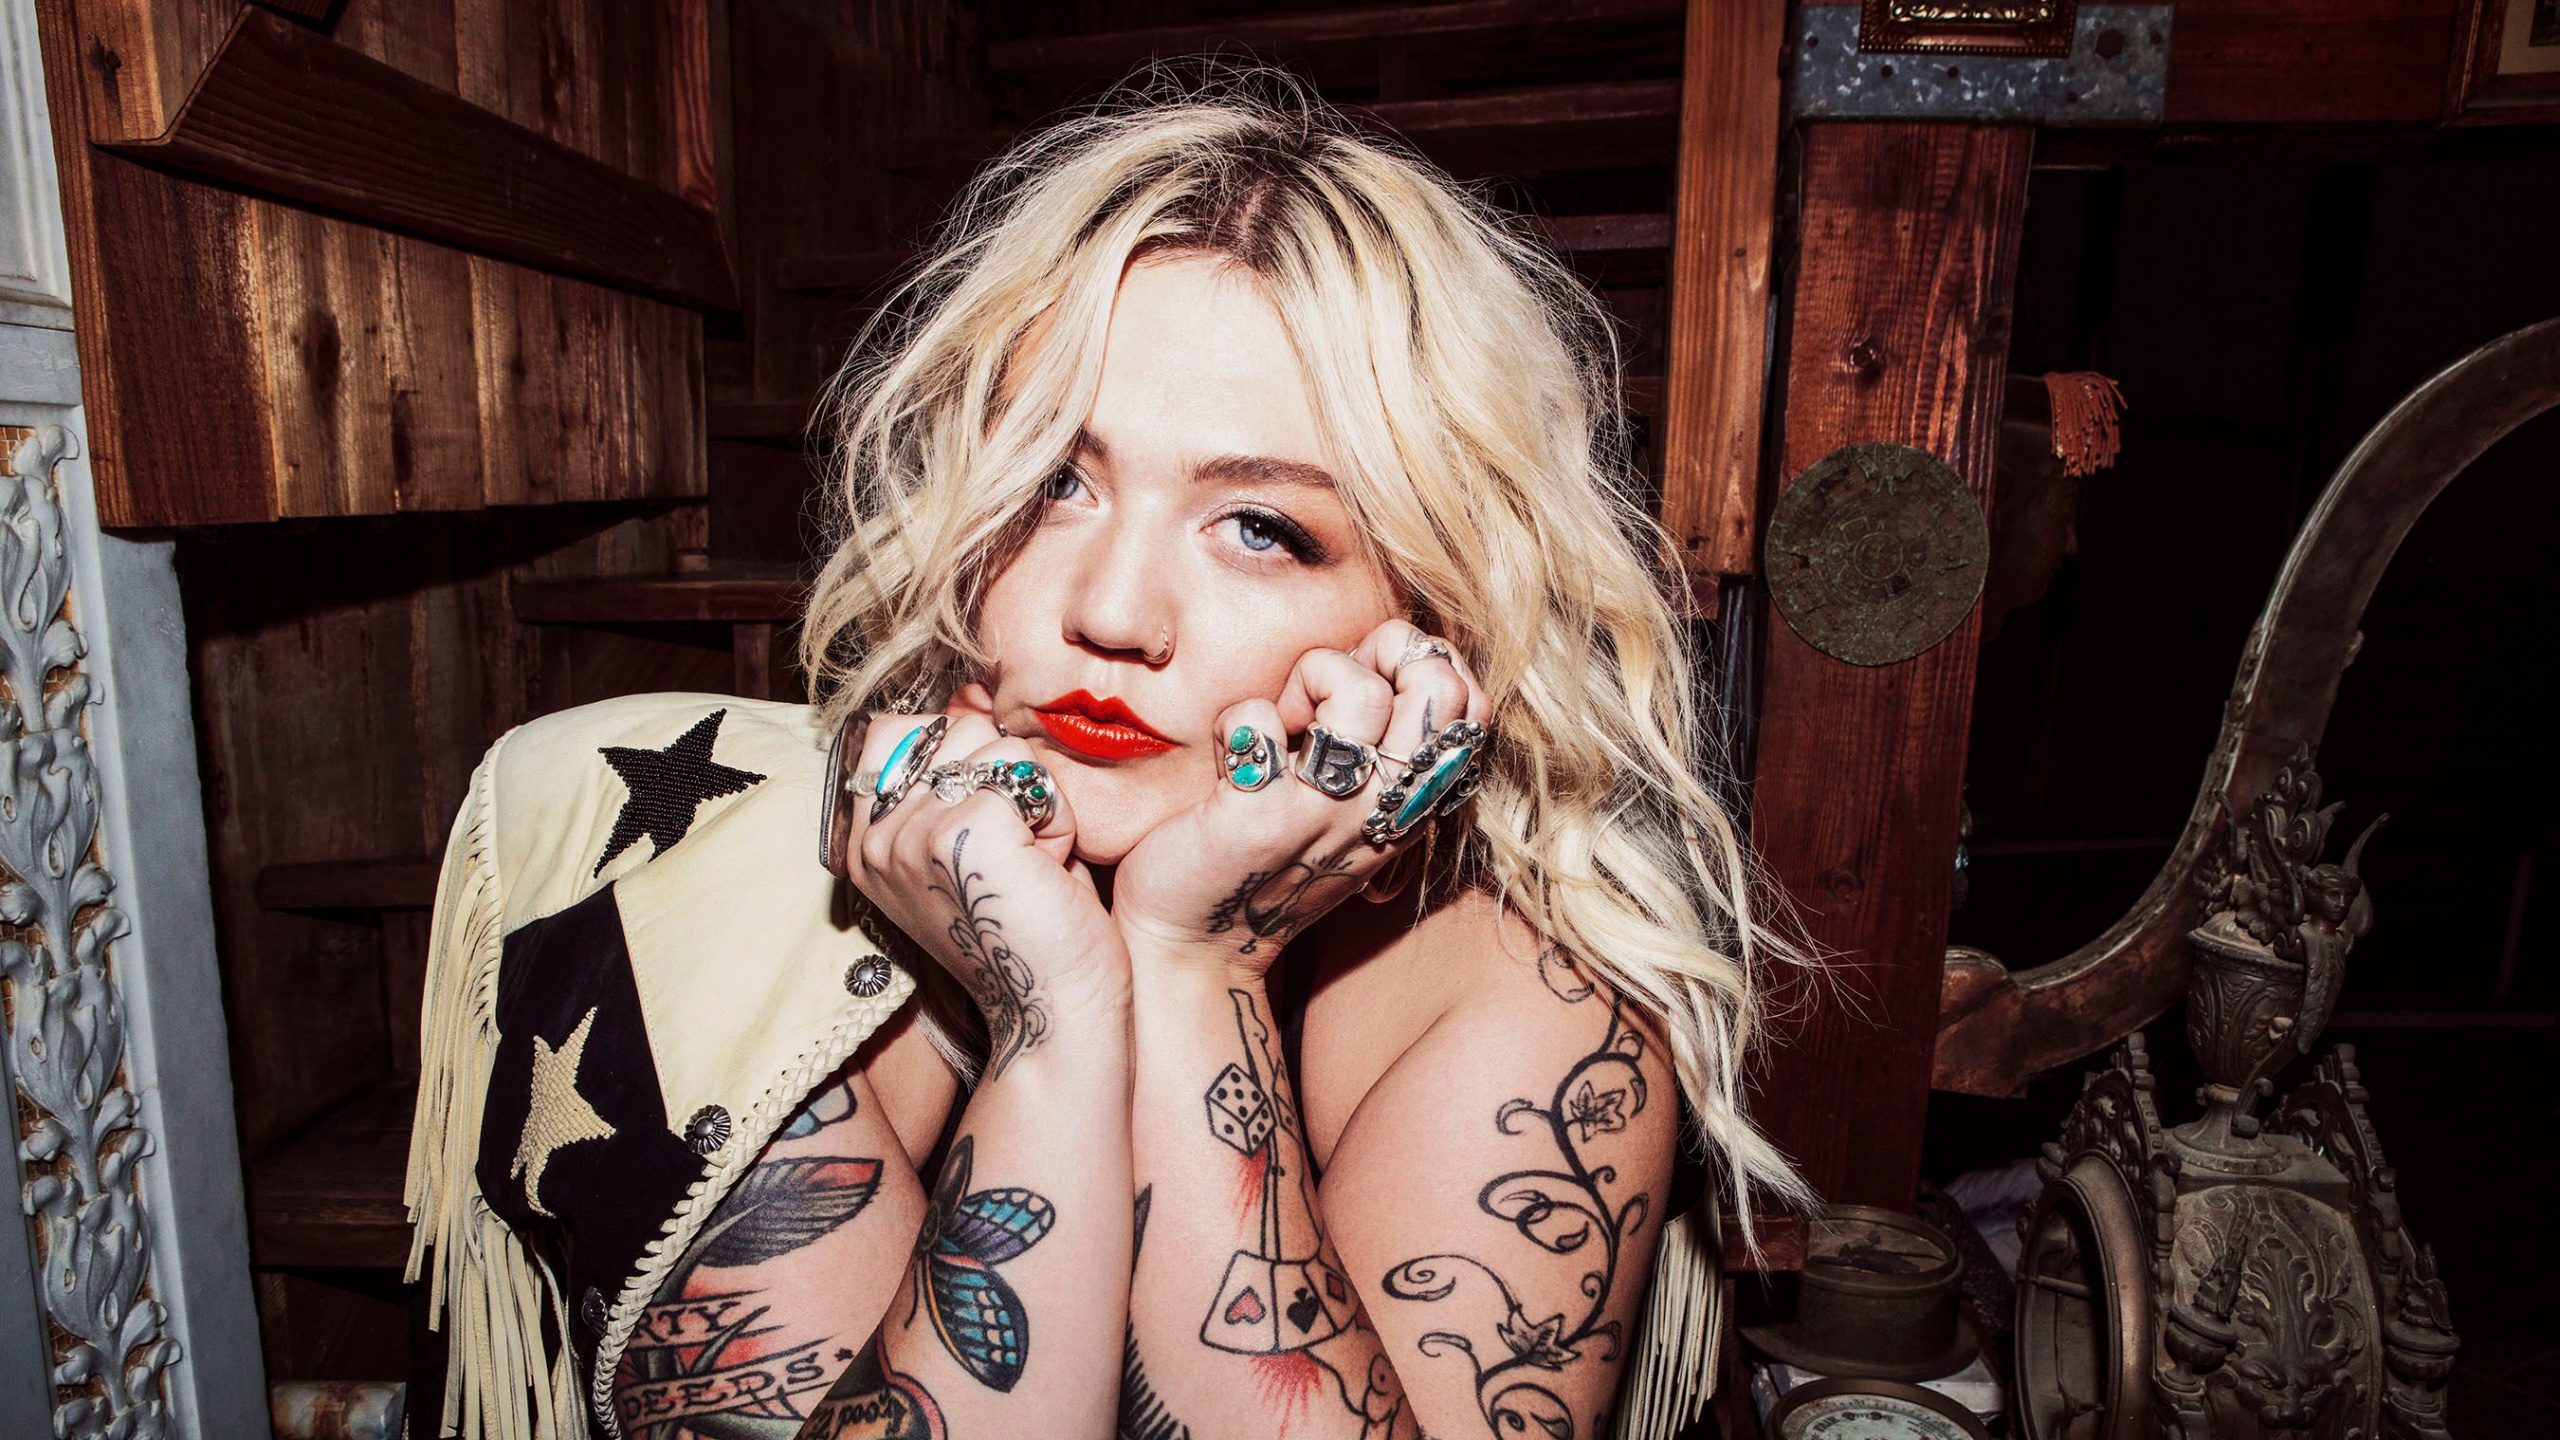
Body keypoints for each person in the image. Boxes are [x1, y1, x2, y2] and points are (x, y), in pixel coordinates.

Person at [407, 74, 1807, 1440]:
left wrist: (1197, 967)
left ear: (1431, 615)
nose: (1113, 611)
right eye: (1055, 484)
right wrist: (1057, 1025)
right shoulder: (694, 871)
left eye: (1261, 528)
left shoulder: (1532, 983)